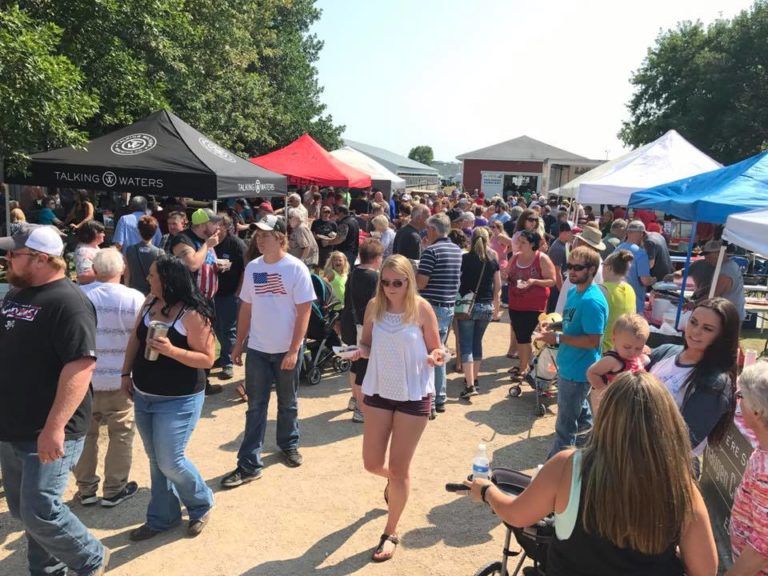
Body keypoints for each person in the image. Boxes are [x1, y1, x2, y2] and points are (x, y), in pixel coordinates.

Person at [463, 371, 718, 576]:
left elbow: (516, 514)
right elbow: (706, 569)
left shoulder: (568, 466)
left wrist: (487, 491)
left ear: (607, 416)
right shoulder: (680, 485)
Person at [0, 225, 110, 574]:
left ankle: (91, 558)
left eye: (13, 255)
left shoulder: (70, 302)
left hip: (49, 428)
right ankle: (47, 569)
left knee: (40, 510)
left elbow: (81, 366)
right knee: (23, 509)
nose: (6, 260)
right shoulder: (16, 295)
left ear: (40, 259)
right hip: (13, 425)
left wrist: (54, 427)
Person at [349, 254, 445, 562]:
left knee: (400, 468)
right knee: (371, 463)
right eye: (385, 281)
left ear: (409, 281)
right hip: (378, 390)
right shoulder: (373, 307)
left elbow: (436, 347)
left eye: (397, 282)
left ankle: (390, 531)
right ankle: (396, 485)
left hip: (414, 394)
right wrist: (356, 351)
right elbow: (366, 344)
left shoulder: (421, 308)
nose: (390, 288)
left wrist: (437, 356)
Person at [121, 255, 216, 541]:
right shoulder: (150, 302)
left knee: (170, 460)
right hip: (144, 393)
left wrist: (171, 350)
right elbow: (135, 340)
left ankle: (201, 502)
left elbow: (207, 359)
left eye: (152, 275)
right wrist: (125, 374)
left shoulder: (192, 314)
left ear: (168, 279)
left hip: (179, 398)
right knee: (156, 460)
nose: (147, 279)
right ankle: (163, 517)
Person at [222, 218, 314, 487]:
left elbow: (304, 311)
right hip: (259, 350)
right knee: (255, 406)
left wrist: (294, 349)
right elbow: (247, 307)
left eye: (265, 236)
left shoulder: (295, 268)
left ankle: (288, 444)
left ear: (280, 237)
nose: (259, 241)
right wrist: (238, 343)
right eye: (257, 237)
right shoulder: (253, 268)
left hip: (286, 349)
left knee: (288, 402)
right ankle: (249, 463)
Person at [75, 249, 144, 507]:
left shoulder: (80, 296)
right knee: (121, 433)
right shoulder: (135, 298)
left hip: (84, 378)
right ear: (122, 269)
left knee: (84, 434)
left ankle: (86, 488)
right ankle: (115, 488)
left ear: (94, 269)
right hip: (120, 377)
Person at [647, 297, 738, 459]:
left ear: (722, 336)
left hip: (669, 469)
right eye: (693, 322)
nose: (695, 331)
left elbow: (685, 441)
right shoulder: (665, 351)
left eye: (708, 329)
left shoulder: (715, 382)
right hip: (631, 457)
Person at [540, 246, 608, 458]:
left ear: (592, 269)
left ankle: (554, 469)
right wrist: (554, 328)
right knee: (580, 414)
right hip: (568, 365)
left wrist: (558, 338)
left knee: (564, 429)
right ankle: (590, 448)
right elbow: (571, 324)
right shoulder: (572, 291)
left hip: (579, 371)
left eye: (578, 267)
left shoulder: (592, 301)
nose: (571, 271)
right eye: (570, 266)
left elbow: (593, 341)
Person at [416, 213, 463, 417]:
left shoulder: (431, 251)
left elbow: (421, 283)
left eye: (428, 229)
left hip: (431, 307)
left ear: (433, 230)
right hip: (448, 305)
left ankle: (432, 401)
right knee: (440, 351)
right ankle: (440, 397)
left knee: (430, 354)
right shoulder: (456, 250)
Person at [729, 362, 768, 576]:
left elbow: (762, 550)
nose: (737, 401)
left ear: (756, 412)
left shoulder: (766, 473)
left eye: (740, 395)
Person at [340, 239, 384, 423]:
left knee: (354, 363)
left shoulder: (353, 272)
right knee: (363, 367)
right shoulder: (374, 277)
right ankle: (360, 408)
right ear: (377, 258)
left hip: (349, 323)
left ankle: (354, 399)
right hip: (364, 326)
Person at [456, 228, 501, 399]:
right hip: (486, 306)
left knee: (466, 344)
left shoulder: (465, 258)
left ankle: (469, 385)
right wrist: (496, 308)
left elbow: (457, 280)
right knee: (477, 343)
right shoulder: (492, 260)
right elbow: (497, 287)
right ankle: (475, 378)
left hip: (467, 307)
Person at [507, 230, 556, 383]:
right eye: (519, 241)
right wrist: (505, 275)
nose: (519, 244)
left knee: (524, 335)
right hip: (515, 302)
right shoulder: (515, 257)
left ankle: (524, 367)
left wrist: (534, 281)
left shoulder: (542, 258)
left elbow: (552, 280)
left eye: (523, 242)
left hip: (534, 304)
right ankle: (526, 364)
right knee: (520, 334)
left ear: (533, 244)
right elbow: (507, 273)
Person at [586, 313, 650, 414]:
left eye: (638, 348)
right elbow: (591, 373)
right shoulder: (612, 360)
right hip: (612, 408)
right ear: (614, 340)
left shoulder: (633, 356)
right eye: (627, 347)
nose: (632, 352)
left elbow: (642, 362)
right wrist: (605, 391)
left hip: (628, 403)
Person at [213, 214, 247, 381]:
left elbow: (245, 270)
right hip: (212, 293)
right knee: (216, 327)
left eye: (217, 226)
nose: (214, 229)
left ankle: (228, 363)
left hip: (230, 293)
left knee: (228, 329)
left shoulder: (236, 244)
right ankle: (224, 355)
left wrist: (238, 291)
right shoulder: (210, 242)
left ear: (225, 227)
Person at [688, 240, 746, 321]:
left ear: (720, 253)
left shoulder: (727, 270)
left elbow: (714, 295)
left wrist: (694, 304)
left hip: (730, 316)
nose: (707, 260)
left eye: (709, 257)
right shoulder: (725, 266)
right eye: (706, 257)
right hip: (728, 313)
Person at [598, 249, 637, 352]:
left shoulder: (601, 290)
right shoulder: (630, 289)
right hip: (622, 350)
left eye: (603, 265)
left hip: (603, 350)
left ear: (609, 268)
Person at [616, 220, 655, 314]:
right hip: (634, 303)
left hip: (617, 299)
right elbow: (645, 280)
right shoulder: (640, 253)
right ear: (641, 234)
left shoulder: (617, 249)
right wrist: (654, 280)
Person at [124, 215, 165, 295]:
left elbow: (127, 274)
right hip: (152, 294)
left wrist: (127, 290)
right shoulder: (160, 253)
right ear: (155, 231)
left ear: (139, 231)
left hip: (134, 292)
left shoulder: (130, 250)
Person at [489, 220, 514, 320]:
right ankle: (494, 313)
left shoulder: (500, 236)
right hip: (494, 264)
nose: (491, 228)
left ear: (499, 228)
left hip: (501, 265)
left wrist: (505, 252)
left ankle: (495, 315)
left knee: (497, 290)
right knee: (494, 289)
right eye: (490, 226)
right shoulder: (493, 237)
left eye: (494, 227)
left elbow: (513, 244)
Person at [546, 222, 573, 313]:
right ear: (564, 233)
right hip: (555, 289)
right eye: (571, 233)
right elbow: (557, 273)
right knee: (553, 315)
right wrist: (562, 292)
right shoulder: (558, 248)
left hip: (556, 287)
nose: (573, 236)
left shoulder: (562, 244)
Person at [74, 220, 106, 285]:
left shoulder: (94, 246)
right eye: (101, 232)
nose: (104, 234)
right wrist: (108, 273)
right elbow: (84, 276)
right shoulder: (83, 251)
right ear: (93, 233)